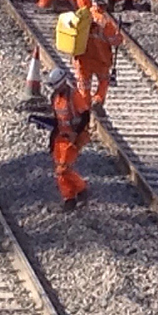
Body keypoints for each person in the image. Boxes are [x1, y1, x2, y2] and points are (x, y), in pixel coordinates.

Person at [39, 64, 94, 209]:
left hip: (74, 136)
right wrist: (52, 140)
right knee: (59, 170)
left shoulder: (74, 96)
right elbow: (57, 120)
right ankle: (69, 198)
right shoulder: (55, 98)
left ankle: (82, 189)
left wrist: (76, 133)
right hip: (61, 137)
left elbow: (85, 115)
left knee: (64, 169)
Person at [78, 0, 121, 107]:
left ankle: (84, 105)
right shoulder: (105, 20)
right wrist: (119, 37)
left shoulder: (83, 15)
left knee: (84, 83)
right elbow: (114, 40)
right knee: (104, 80)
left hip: (83, 56)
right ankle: (97, 100)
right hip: (100, 58)